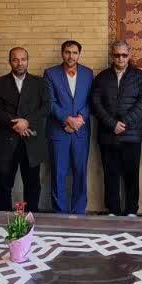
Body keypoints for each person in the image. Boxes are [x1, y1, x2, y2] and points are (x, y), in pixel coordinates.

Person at [90, 40, 142, 216]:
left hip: (131, 135)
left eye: (124, 55)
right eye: (117, 55)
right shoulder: (102, 77)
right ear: (112, 56)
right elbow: (96, 103)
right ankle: (113, 209)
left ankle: (132, 210)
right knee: (111, 174)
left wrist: (124, 123)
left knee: (132, 175)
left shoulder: (139, 76)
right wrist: (112, 124)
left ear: (129, 55)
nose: (121, 58)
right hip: (108, 135)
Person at [0, 47, 50, 212]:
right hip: (5, 142)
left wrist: (27, 122)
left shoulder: (39, 83)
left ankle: (31, 218)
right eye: (15, 60)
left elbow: (46, 107)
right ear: (9, 62)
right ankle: (2, 218)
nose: (20, 63)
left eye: (23, 59)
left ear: (27, 61)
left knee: (32, 184)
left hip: (31, 141)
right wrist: (15, 124)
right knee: (3, 184)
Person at [45, 40, 94, 214]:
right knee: (58, 173)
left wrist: (80, 118)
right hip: (59, 131)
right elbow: (50, 102)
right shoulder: (50, 73)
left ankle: (79, 211)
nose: (71, 56)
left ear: (79, 54)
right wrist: (67, 120)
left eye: (74, 52)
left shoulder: (88, 73)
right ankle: (60, 212)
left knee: (80, 173)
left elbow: (91, 100)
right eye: (67, 52)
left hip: (81, 131)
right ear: (62, 53)